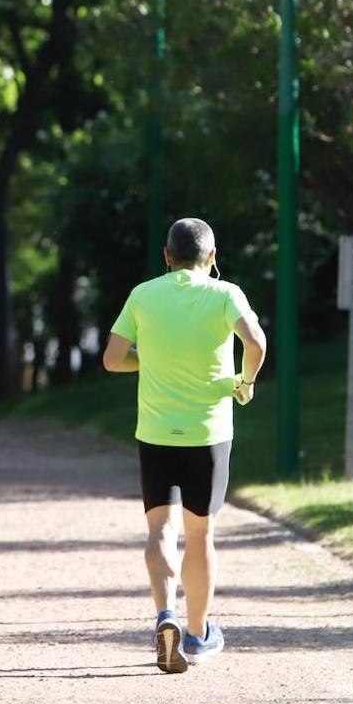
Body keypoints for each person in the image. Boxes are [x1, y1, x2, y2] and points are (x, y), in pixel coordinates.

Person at [102, 218, 267, 673]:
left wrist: (150, 359)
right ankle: (196, 635)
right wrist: (246, 383)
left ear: (167, 256)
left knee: (159, 530)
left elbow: (113, 360)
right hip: (208, 434)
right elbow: (255, 342)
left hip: (155, 433)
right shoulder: (225, 294)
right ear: (211, 258)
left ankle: (165, 613)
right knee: (201, 534)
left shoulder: (143, 295)